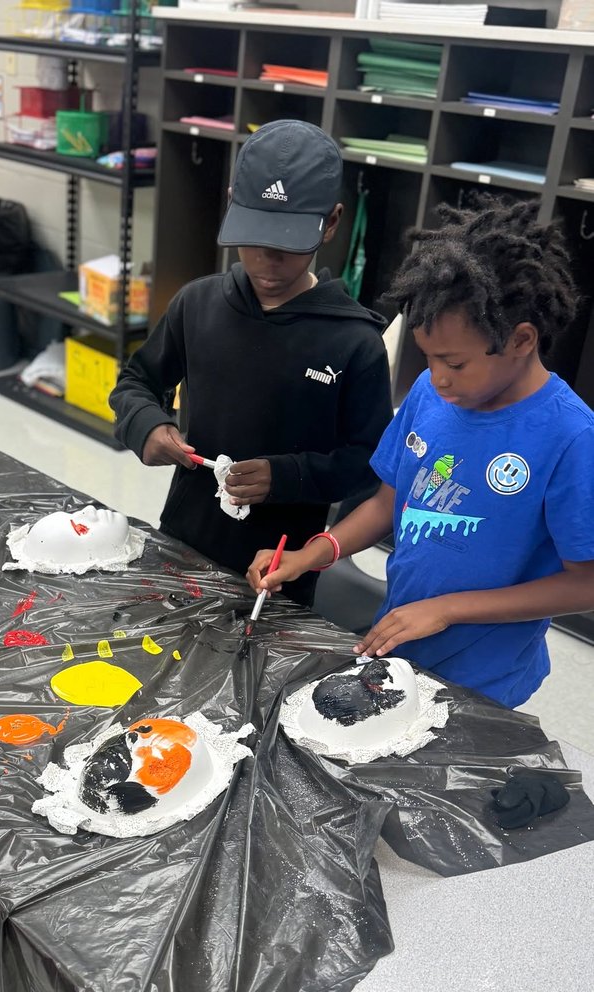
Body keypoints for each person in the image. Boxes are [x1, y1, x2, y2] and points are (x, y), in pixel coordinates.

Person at [248, 195, 594, 707]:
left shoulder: (572, 438)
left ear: (522, 340)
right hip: (405, 647)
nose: (437, 378)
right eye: (428, 358)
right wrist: (311, 555)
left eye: (454, 363)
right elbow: (388, 504)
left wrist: (448, 609)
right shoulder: (431, 395)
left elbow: (585, 586)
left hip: (484, 679)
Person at [110, 120, 392, 605]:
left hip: (281, 567)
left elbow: (367, 464)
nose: (266, 261)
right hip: (182, 537)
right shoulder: (197, 303)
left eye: (286, 246)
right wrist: (146, 426)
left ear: (331, 221)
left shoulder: (355, 343)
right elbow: (135, 382)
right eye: (254, 236)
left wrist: (287, 476)